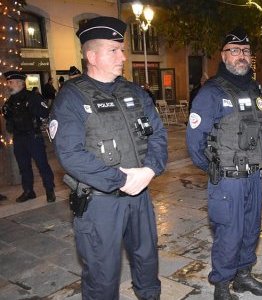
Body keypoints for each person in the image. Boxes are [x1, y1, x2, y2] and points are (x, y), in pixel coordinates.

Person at [49, 16, 167, 299]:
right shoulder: (72, 98)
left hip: (139, 196)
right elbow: (70, 154)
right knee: (102, 274)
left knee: (147, 263)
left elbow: (159, 136)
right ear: (92, 55)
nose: (122, 56)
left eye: (122, 49)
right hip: (99, 203)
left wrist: (150, 170)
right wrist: (121, 179)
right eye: (113, 50)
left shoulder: (135, 93)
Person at [186, 27, 262, 300]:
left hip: (255, 175)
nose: (242, 56)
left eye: (246, 51)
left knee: (251, 228)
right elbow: (194, 143)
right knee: (229, 231)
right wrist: (217, 169)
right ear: (223, 56)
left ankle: (243, 275)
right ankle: (222, 285)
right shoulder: (211, 93)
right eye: (235, 51)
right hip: (228, 179)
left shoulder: (255, 89)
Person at [1, 70, 55, 203]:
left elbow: (45, 113)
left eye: (11, 82)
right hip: (19, 138)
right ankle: (28, 191)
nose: (9, 85)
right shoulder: (9, 101)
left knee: (42, 165)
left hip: (33, 136)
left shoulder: (32, 97)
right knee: (23, 166)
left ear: (20, 83)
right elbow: (9, 118)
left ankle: (49, 190)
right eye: (8, 82)